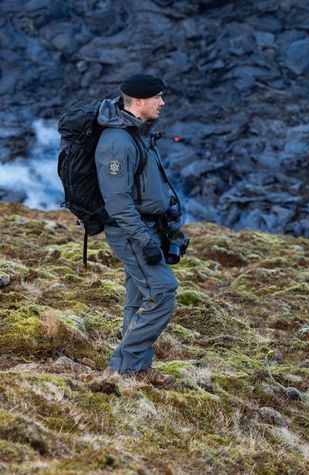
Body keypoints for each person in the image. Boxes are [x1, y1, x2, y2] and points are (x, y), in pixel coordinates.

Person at [96, 74, 182, 387]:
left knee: (138, 298)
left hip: (147, 227)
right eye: (158, 97)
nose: (163, 102)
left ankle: (137, 368)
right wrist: (144, 239)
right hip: (131, 231)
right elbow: (117, 201)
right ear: (139, 101)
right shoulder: (116, 142)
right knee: (162, 292)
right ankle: (120, 368)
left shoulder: (136, 133)